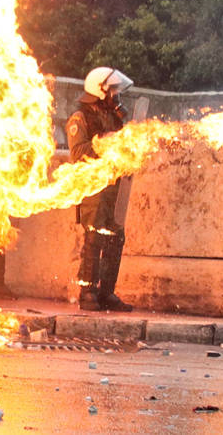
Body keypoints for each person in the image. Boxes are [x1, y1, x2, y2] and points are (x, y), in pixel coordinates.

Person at [65, 67, 135, 312]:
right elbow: (78, 153)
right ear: (100, 89)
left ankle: (107, 292)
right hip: (93, 188)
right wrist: (107, 145)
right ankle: (88, 293)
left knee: (115, 239)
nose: (116, 94)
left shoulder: (113, 116)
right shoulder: (80, 117)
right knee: (94, 239)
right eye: (112, 89)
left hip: (114, 186)